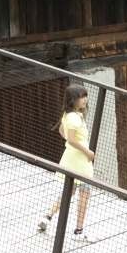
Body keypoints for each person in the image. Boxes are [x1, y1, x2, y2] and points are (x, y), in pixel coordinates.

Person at [37, 84, 96, 241]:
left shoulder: (68, 115)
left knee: (69, 192)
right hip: (80, 160)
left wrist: (72, 143)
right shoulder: (75, 118)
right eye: (81, 97)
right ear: (73, 100)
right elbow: (71, 139)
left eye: (85, 96)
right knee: (84, 193)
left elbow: (62, 132)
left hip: (70, 158)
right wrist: (87, 151)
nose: (85, 100)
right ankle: (79, 231)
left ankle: (47, 217)